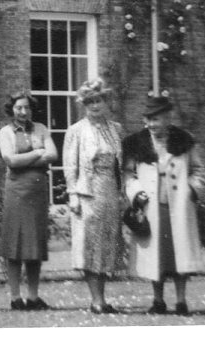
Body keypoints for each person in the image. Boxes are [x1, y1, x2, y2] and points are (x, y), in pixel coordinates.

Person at [122, 91, 205, 316]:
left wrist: (191, 190)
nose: (151, 124)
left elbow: (198, 170)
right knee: (156, 255)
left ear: (168, 117)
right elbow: (128, 174)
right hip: (152, 207)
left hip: (178, 208)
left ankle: (181, 300)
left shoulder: (184, 140)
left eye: (156, 119)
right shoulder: (136, 143)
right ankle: (158, 300)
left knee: (179, 254)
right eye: (148, 119)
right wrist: (136, 193)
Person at [62, 78, 126, 314]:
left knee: (107, 243)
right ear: (83, 105)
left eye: (98, 101)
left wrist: (123, 193)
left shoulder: (116, 129)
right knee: (90, 244)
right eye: (90, 102)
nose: (95, 106)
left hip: (110, 190)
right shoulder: (76, 131)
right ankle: (96, 300)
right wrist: (73, 195)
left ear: (106, 102)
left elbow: (121, 164)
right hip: (87, 193)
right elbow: (70, 166)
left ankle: (104, 298)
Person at [0, 90, 59, 310]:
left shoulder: (41, 128)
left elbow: (53, 155)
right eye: (19, 108)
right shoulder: (5, 132)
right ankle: (15, 297)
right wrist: (37, 153)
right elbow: (10, 160)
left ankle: (33, 297)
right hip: (16, 192)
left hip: (37, 191)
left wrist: (26, 158)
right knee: (14, 245)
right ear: (12, 109)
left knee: (34, 246)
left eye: (27, 107)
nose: (23, 112)